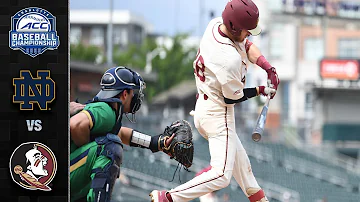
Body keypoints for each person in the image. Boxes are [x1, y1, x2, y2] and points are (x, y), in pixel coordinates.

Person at [150, 0, 279, 202]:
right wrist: (260, 90)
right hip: (219, 114)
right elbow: (231, 97)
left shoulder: (216, 24)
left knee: (246, 174)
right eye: (247, 30)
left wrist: (267, 67)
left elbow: (246, 44)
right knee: (221, 176)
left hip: (204, 108)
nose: (250, 34)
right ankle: (168, 198)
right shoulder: (228, 58)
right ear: (235, 27)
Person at [69, 66, 189, 202]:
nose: (135, 96)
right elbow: (75, 125)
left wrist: (156, 143)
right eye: (133, 93)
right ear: (125, 94)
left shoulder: (107, 112)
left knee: (108, 144)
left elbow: (121, 133)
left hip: (65, 173)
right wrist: (88, 148)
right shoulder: (105, 110)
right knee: (109, 148)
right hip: (62, 174)